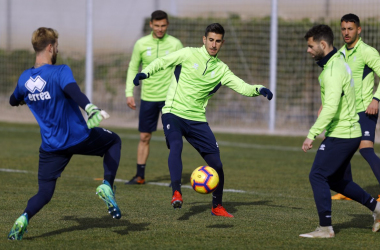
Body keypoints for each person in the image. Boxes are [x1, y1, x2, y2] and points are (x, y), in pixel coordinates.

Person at [133, 23, 273, 217]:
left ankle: (217, 206)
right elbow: (163, 62)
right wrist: (145, 73)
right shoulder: (189, 54)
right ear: (204, 39)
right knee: (176, 146)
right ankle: (176, 192)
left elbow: (242, 87)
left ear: (222, 42)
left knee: (217, 165)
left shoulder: (222, 69)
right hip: (173, 112)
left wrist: (259, 89)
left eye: (218, 41)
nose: (214, 44)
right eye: (211, 40)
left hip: (197, 119)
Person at [7, 27, 122, 241]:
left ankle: (24, 217)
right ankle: (107, 185)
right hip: (78, 137)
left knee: (45, 193)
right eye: (56, 46)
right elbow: (73, 91)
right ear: (51, 47)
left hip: (51, 146)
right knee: (114, 141)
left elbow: (13, 100)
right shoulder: (60, 71)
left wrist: (24, 98)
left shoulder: (24, 79)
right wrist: (90, 108)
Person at [300, 24, 380, 238]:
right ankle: (377, 208)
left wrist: (312, 134)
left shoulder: (333, 69)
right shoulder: (337, 62)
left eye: (310, 46)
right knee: (336, 180)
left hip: (343, 134)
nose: (308, 50)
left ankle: (325, 228)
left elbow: (331, 107)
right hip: (348, 131)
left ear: (323, 44)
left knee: (317, 175)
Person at [125, 10, 183, 185]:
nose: (160, 29)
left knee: (173, 139)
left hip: (170, 99)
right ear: (151, 24)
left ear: (167, 25)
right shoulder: (141, 44)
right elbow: (132, 68)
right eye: (157, 25)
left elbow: (183, 70)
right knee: (144, 137)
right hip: (148, 98)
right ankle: (140, 175)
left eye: (163, 25)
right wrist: (129, 93)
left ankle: (175, 178)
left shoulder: (175, 44)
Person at [330, 13, 380, 201]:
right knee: (338, 146)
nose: (346, 32)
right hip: (346, 111)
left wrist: (376, 99)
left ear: (359, 29)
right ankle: (346, 190)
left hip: (366, 109)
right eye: (343, 29)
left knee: (366, 150)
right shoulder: (341, 53)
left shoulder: (367, 51)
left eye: (350, 29)